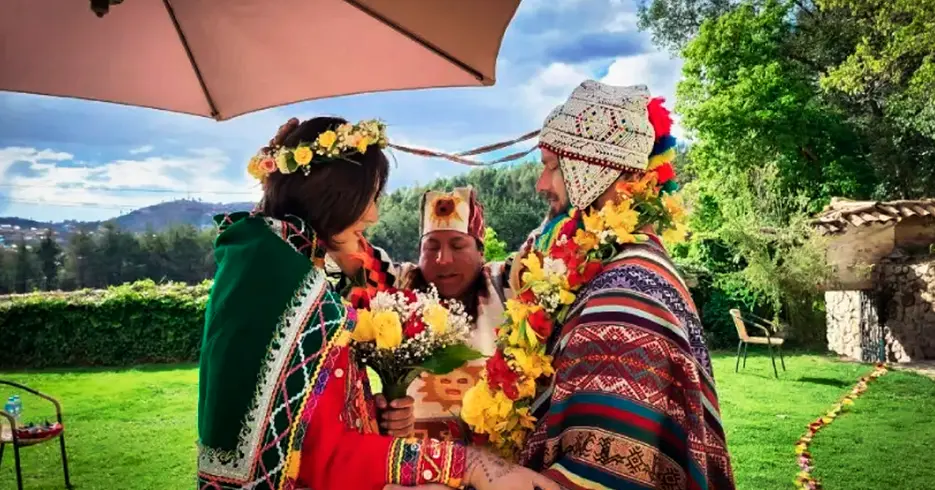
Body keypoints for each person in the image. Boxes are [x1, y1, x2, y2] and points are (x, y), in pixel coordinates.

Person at [196, 116, 557, 490]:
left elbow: (306, 418)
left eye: (459, 246)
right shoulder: (282, 279)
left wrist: (375, 416)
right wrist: (467, 463)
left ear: (481, 250)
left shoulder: (275, 263)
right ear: (333, 195)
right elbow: (323, 454)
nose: (373, 215)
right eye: (369, 198)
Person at [514, 81, 735, 489]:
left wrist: (474, 467)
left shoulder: (626, 293)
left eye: (550, 166)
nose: (541, 185)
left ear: (590, 168)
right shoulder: (627, 267)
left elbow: (598, 477)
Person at [327, 187, 509, 441]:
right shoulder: (397, 285)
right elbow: (339, 238)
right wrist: (385, 413)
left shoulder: (506, 286)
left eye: (457, 246)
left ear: (481, 251)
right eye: (431, 247)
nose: (443, 259)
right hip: (416, 470)